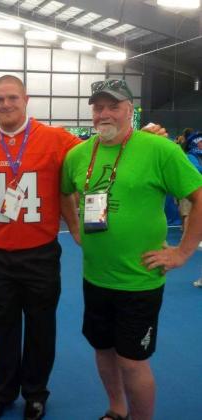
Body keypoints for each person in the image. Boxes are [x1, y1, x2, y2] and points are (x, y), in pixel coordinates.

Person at [61, 79, 202, 420]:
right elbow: (65, 192)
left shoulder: (160, 150)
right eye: (98, 107)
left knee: (131, 361)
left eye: (113, 106)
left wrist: (183, 252)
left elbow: (198, 197)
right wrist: (75, 228)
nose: (104, 113)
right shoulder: (78, 154)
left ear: (129, 110)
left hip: (139, 280)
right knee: (103, 351)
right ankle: (116, 409)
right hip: (95, 277)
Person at [0, 75, 82, 420]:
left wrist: (138, 139)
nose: (5, 105)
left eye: (11, 98)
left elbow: (100, 155)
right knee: (1, 329)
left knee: (40, 328)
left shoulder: (57, 138)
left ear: (26, 99)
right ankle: (2, 392)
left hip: (40, 254)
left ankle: (35, 392)